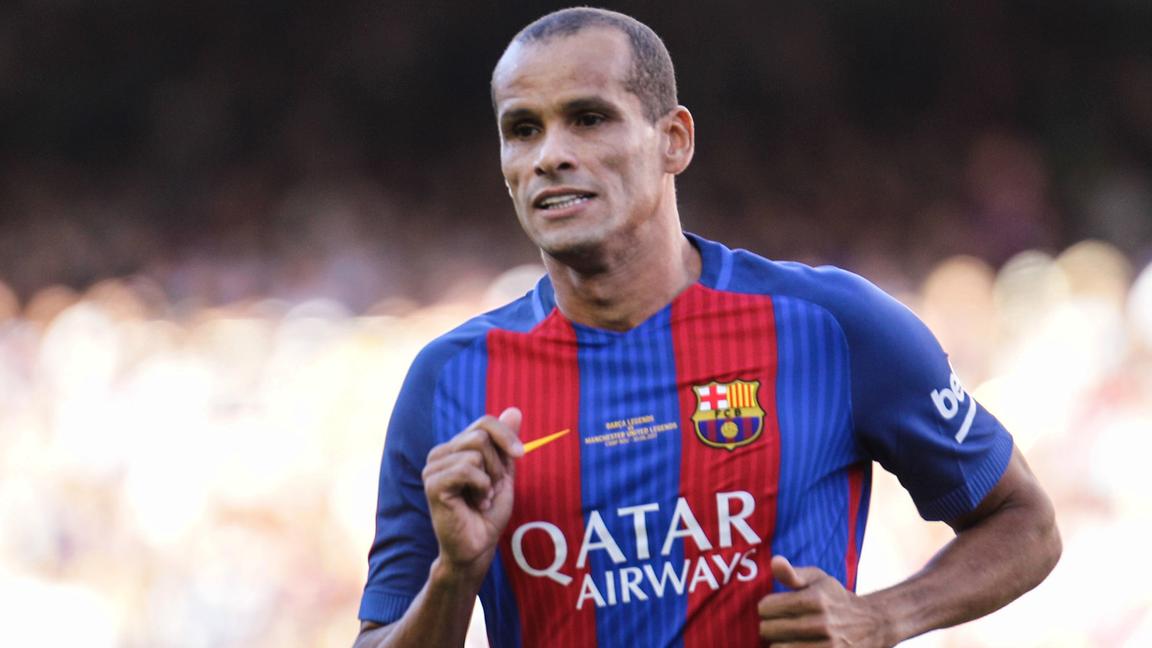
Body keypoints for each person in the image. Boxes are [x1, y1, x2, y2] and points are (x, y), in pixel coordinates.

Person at [354, 7, 1060, 647]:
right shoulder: (449, 382)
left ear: (674, 140)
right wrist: (454, 575)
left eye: (589, 119)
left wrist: (885, 617)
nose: (550, 155)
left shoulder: (832, 327)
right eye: (523, 129)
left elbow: (1025, 522)